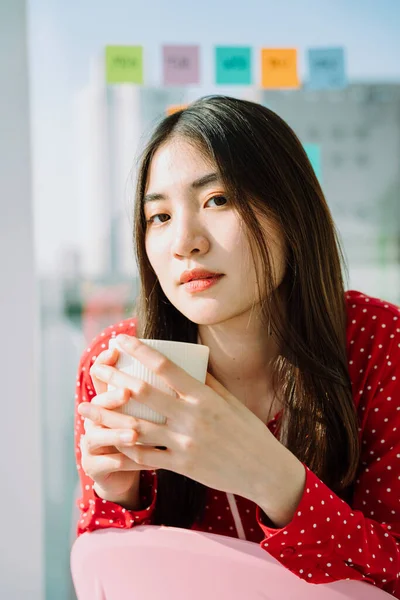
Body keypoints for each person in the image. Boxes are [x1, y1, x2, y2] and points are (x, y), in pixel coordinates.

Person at [74, 96, 400, 597]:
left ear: (291, 211)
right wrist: (120, 496)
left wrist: (275, 482)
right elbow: (105, 576)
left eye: (218, 200)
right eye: (158, 217)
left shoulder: (381, 342)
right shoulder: (119, 359)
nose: (184, 241)